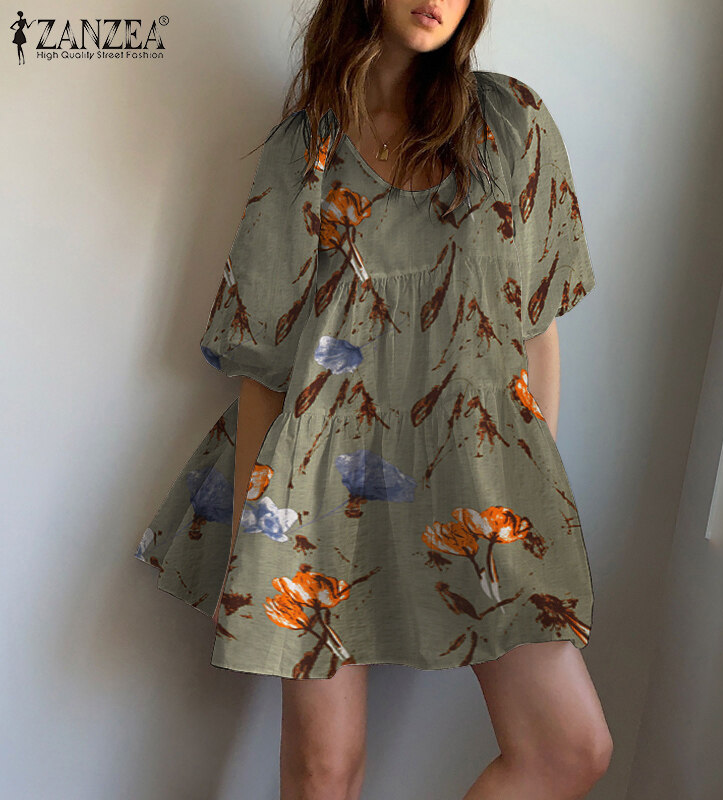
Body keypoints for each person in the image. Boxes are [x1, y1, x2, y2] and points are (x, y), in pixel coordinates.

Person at [135, 0, 612, 796]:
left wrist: (520, 501)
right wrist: (260, 545)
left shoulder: (511, 123)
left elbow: (536, 330)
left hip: (477, 485)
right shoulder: (304, 150)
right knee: (324, 769)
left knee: (568, 748)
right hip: (316, 491)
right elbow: (263, 368)